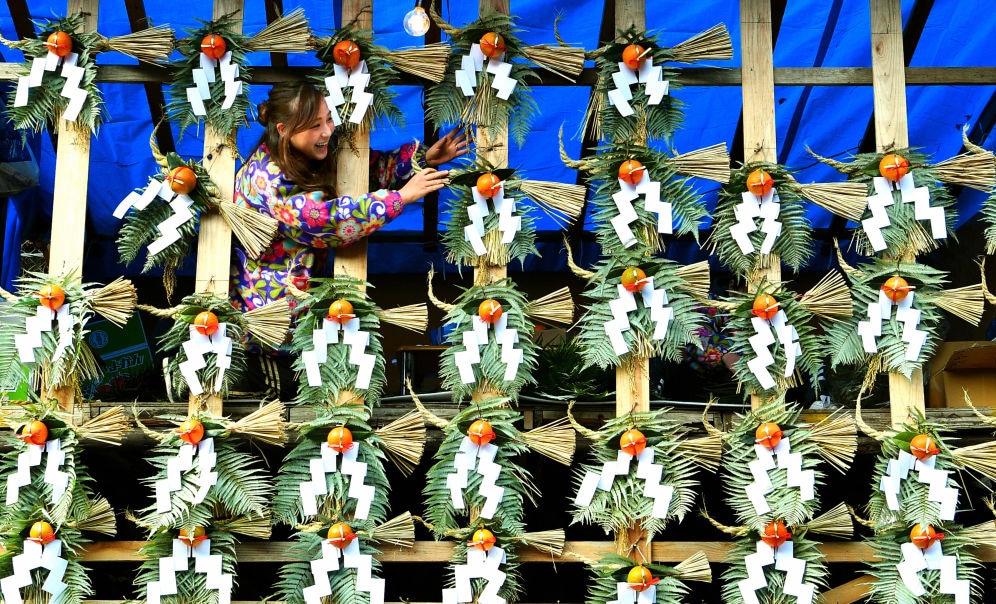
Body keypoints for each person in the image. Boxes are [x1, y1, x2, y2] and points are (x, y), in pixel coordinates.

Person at [230, 81, 468, 398]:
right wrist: (401, 197)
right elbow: (329, 220)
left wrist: (422, 158)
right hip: (268, 330)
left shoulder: (306, 155)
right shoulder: (266, 179)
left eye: (329, 119)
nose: (328, 131)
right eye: (315, 125)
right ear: (284, 129)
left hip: (303, 320)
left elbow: (363, 171)